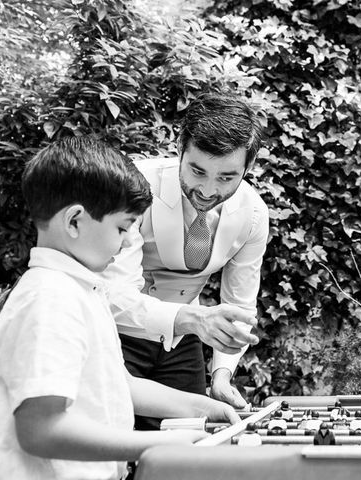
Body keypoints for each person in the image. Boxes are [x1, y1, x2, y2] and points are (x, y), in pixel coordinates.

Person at [0, 137, 240, 480]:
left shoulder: (81, 290)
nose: (126, 243)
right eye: (122, 228)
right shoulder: (50, 299)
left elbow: (121, 385)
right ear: (75, 221)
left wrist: (204, 407)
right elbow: (40, 430)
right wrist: (151, 445)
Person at [103, 92, 269, 429]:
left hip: (183, 341)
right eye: (197, 171)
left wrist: (222, 374)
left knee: (190, 443)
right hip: (116, 332)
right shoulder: (136, 185)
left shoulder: (253, 213)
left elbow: (239, 303)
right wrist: (192, 319)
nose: (207, 190)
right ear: (180, 149)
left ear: (247, 168)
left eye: (226, 177)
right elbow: (113, 292)